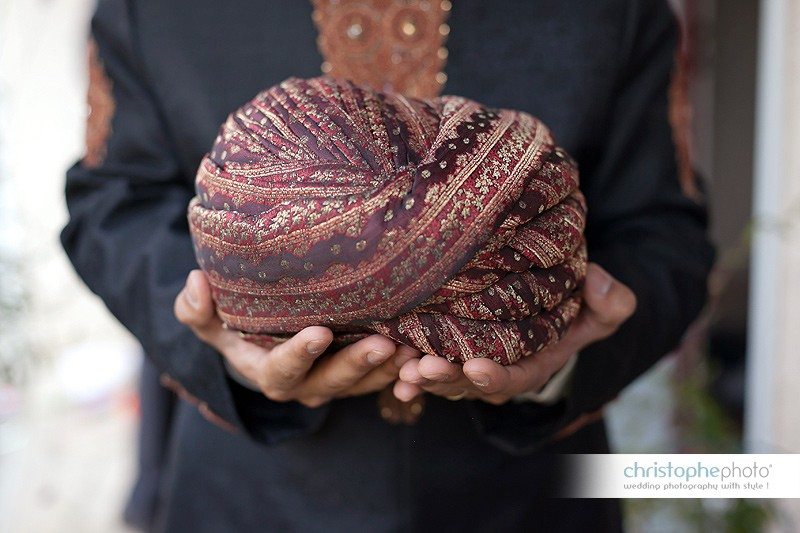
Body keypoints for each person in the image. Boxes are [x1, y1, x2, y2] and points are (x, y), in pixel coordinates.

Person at [61, 0, 714, 531]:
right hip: (250, 495)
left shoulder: (618, 10)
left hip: (527, 498)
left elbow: (666, 232)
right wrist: (224, 342)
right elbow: (112, 201)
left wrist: (558, 359)